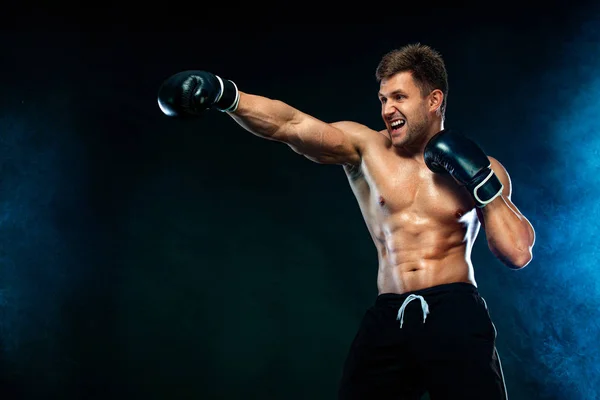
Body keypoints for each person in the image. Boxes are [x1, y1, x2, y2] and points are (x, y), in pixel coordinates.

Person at [157, 43, 536, 400]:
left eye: (399, 97)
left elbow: (517, 252)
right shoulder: (365, 148)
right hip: (390, 314)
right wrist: (227, 95)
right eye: (383, 99)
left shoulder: (484, 168)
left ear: (434, 100)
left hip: (456, 312)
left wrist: (481, 182)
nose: (387, 110)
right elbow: (290, 124)